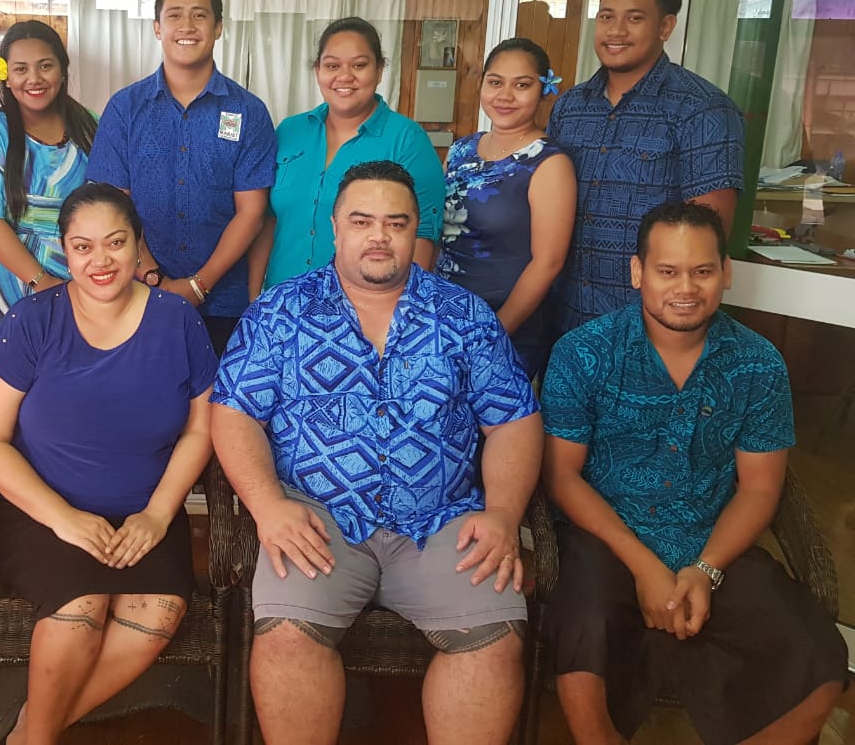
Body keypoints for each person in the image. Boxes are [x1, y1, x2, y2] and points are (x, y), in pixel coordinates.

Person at [212, 160, 542, 745]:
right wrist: (268, 507)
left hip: (443, 523)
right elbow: (233, 412)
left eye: (396, 222)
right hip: (317, 520)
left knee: (494, 642)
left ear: (417, 230)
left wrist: (504, 515)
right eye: (362, 221)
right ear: (336, 228)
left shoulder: (464, 316)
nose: (379, 235)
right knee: (287, 638)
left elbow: (513, 420)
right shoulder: (281, 311)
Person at [540, 199, 847, 745]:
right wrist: (645, 567)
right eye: (668, 271)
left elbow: (760, 487)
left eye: (703, 271)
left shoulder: (757, 363)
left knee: (821, 656)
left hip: (712, 538)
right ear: (637, 273)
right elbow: (563, 477)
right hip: (608, 535)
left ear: (725, 274)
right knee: (584, 633)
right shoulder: (584, 354)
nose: (686, 287)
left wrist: (704, 571)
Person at [0, 182, 216, 745]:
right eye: (82, 247)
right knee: (81, 608)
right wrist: (61, 517)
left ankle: (29, 732)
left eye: (115, 243)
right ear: (64, 250)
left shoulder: (177, 320)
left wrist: (156, 515)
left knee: (156, 614)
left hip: (144, 511)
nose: (100, 261)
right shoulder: (33, 320)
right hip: (41, 509)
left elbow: (201, 429)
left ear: (138, 244)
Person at [547, 0, 745, 334]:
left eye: (634, 18)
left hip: (650, 325)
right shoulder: (570, 106)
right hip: (566, 316)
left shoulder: (702, 108)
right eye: (606, 16)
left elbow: (707, 234)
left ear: (665, 27)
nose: (616, 30)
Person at [87, 0, 276, 355]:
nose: (186, 25)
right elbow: (111, 208)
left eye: (199, 14)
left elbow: (251, 214)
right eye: (174, 14)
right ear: (157, 27)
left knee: (218, 412)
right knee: (144, 410)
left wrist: (197, 285)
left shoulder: (250, 112)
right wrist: (151, 275)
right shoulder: (125, 108)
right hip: (135, 294)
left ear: (219, 27)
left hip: (225, 303)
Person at [0, 20, 97, 440]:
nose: (34, 79)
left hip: (84, 270)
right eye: (21, 69)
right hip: (12, 275)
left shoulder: (91, 123)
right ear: (5, 75)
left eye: (45, 66)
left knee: (69, 390)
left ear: (64, 69)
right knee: (8, 392)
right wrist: (40, 280)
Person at [249, 17, 445, 296]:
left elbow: (422, 238)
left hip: (362, 313)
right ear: (317, 71)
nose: (344, 76)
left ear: (379, 70)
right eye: (332, 66)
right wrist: (255, 296)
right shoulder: (290, 132)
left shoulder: (407, 140)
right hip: (282, 307)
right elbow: (269, 220)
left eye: (359, 65)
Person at [436, 38, 576, 377]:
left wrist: (494, 332)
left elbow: (548, 262)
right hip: (444, 315)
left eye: (522, 85)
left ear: (544, 90)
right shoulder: (460, 149)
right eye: (495, 82)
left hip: (506, 324)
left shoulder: (548, 163)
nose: (505, 96)